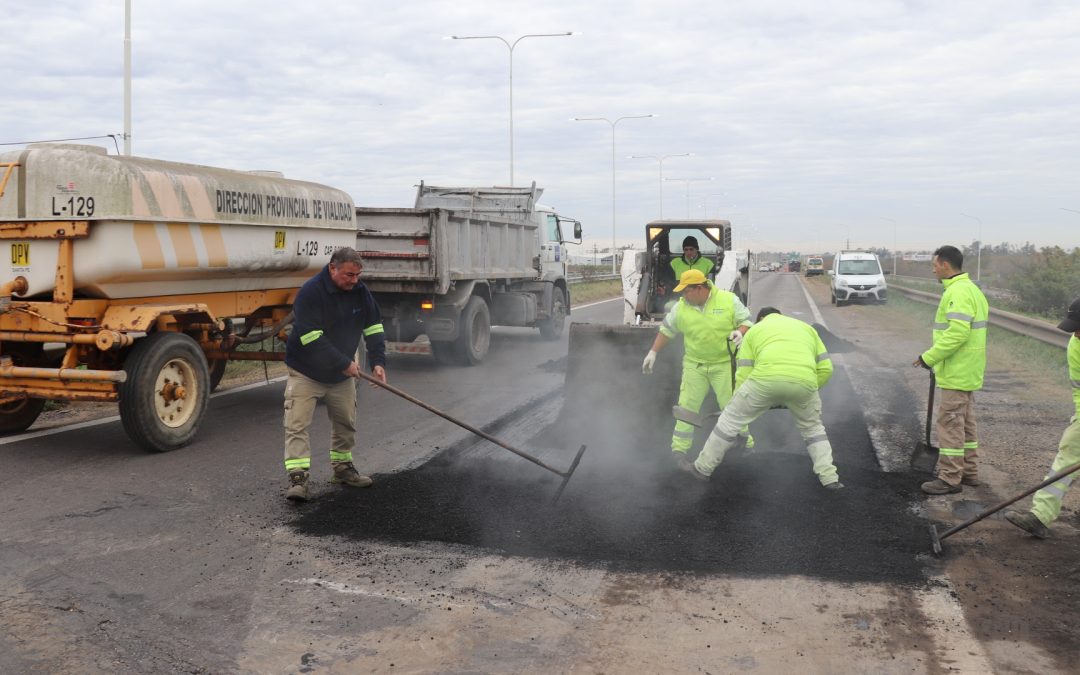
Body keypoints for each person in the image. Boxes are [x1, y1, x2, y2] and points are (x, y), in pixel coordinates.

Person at [683, 307, 843, 489]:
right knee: (813, 429)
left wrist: (738, 402)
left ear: (760, 319)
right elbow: (826, 369)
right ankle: (830, 479)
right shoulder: (807, 329)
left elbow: (743, 372)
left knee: (729, 421)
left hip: (764, 380)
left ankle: (702, 469)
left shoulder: (755, 330)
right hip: (805, 383)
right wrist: (807, 389)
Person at [282, 247, 387, 502]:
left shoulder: (360, 292)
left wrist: (378, 362)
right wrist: (344, 363)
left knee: (345, 423)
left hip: (340, 376)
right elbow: (311, 337)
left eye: (357, 275)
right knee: (297, 424)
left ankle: (343, 470)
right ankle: (298, 479)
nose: (354, 280)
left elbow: (373, 327)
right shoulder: (310, 292)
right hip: (306, 371)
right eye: (349, 275)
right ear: (333, 268)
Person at [642, 269, 752, 469]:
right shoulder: (681, 308)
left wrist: (740, 331)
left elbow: (746, 321)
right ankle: (679, 450)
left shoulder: (728, 300)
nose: (683, 296)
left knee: (732, 406)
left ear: (700, 288)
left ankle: (744, 445)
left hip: (724, 365)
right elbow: (667, 330)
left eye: (686, 291)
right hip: (695, 365)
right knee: (686, 408)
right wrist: (653, 352)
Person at [911, 245, 989, 495]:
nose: (933, 269)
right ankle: (969, 472)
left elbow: (957, 333)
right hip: (967, 370)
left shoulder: (958, 292)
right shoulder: (971, 289)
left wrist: (929, 358)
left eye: (934, 265)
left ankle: (950, 477)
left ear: (945, 265)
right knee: (965, 424)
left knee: (950, 424)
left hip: (957, 370)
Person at [1004, 297, 1080, 538]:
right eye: (1073, 328)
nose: (1076, 333)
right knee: (1069, 452)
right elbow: (1079, 388)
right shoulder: (1075, 346)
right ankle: (1040, 516)